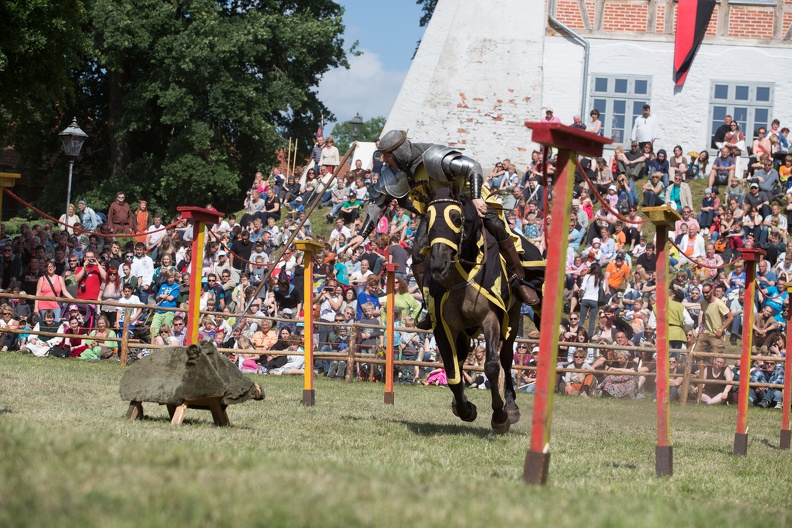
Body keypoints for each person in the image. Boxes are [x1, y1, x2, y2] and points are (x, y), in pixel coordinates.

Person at [346, 130, 541, 309]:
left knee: (496, 225)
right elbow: (378, 202)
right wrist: (362, 235)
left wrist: (475, 197)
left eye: (387, 154)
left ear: (399, 152)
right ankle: (430, 307)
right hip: (437, 212)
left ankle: (519, 281)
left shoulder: (432, 156)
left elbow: (473, 166)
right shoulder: (393, 172)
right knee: (417, 251)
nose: (384, 159)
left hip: (467, 198)